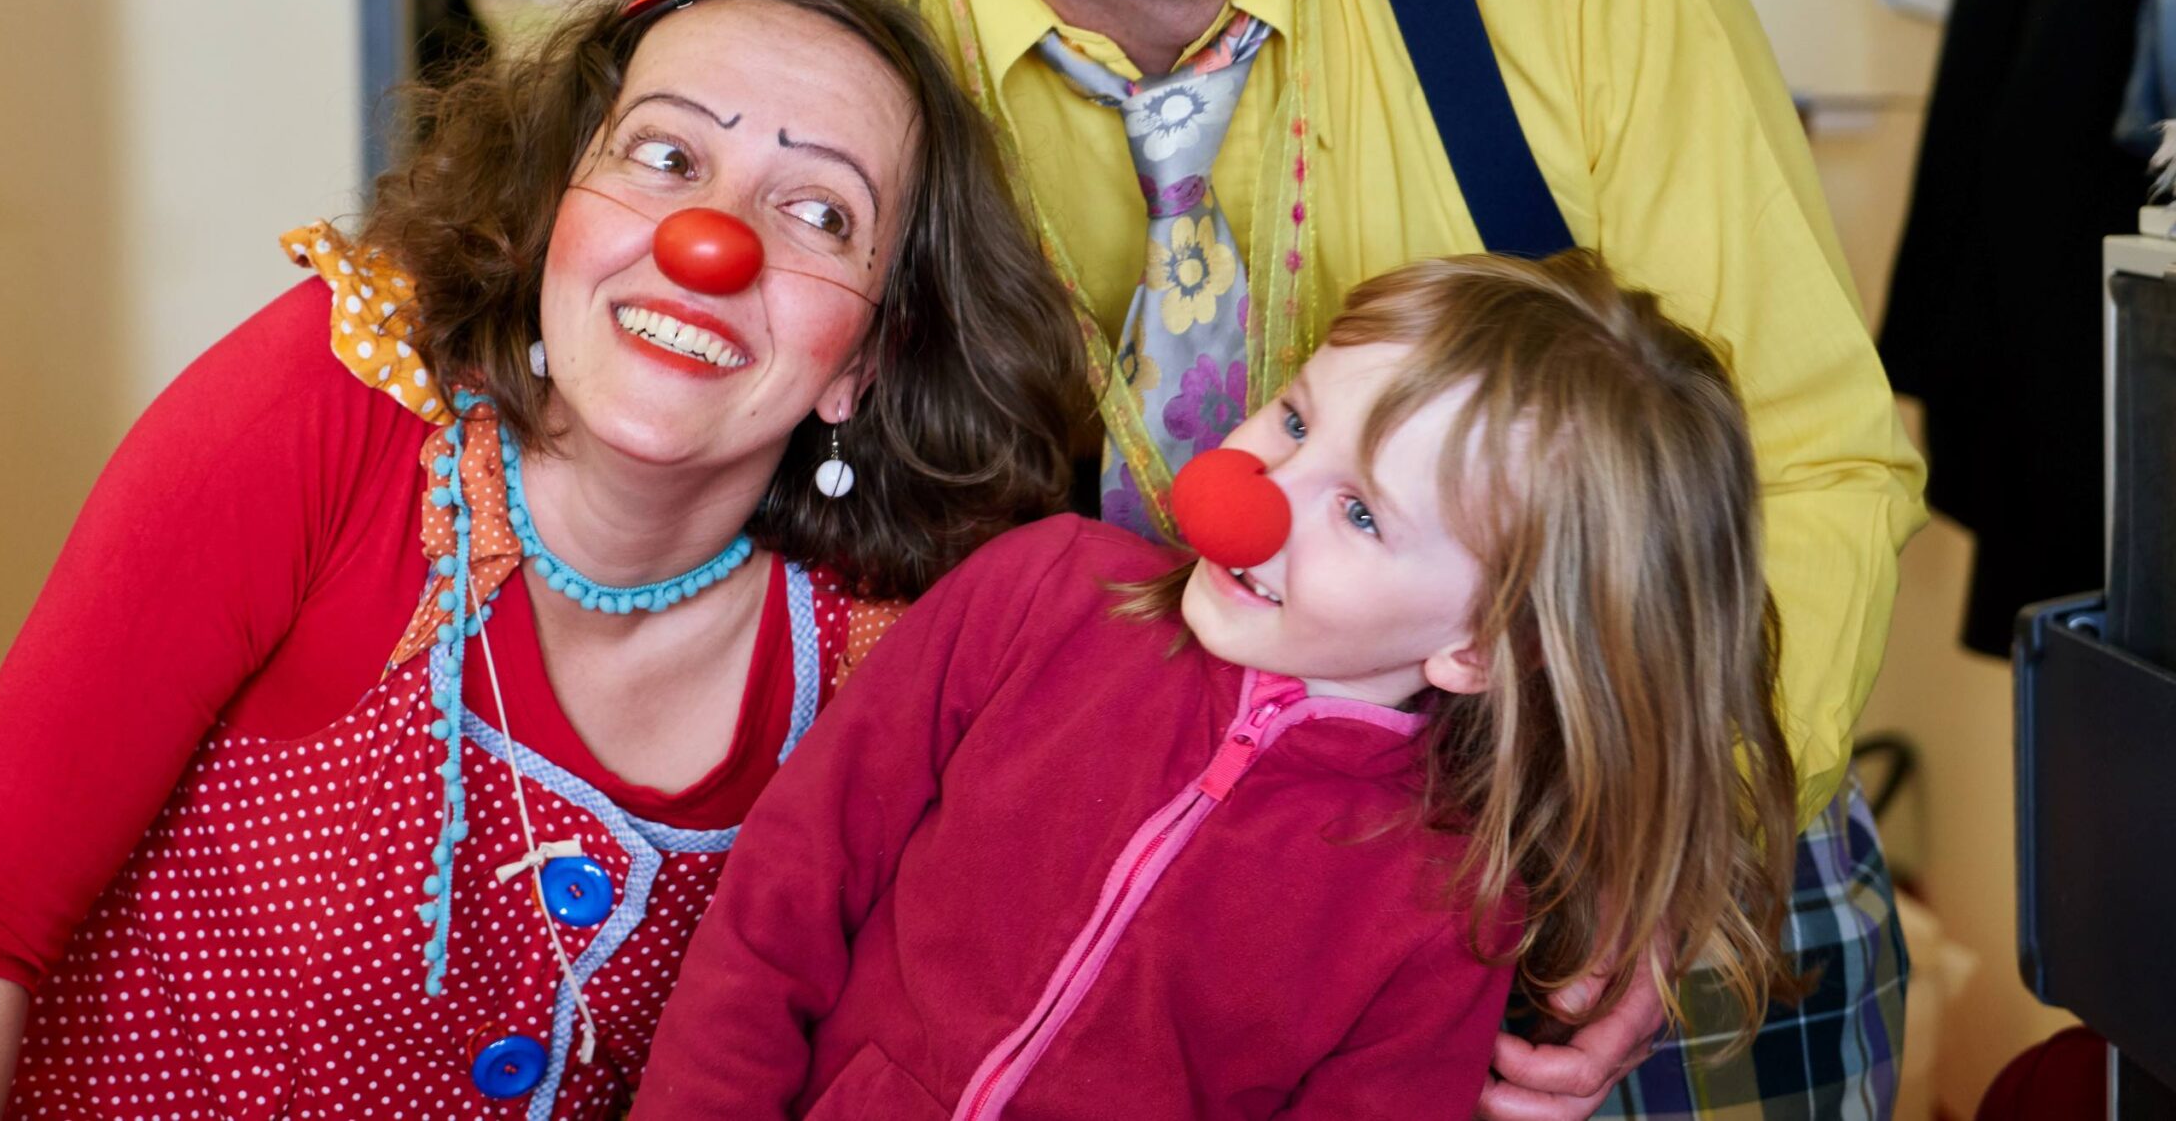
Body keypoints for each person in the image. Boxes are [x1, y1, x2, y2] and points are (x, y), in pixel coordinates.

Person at [698, 0, 1929, 1114]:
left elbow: (1812, 455)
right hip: (1110, 948)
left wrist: (1663, 837)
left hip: (1615, 865)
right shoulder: (809, 52)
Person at [0, 0, 1087, 1120]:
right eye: (664, 156)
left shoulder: (880, 660)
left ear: (863, 360)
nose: (710, 243)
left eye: (820, 213)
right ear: (552, 216)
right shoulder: (336, 412)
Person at [633, 251, 1802, 1120]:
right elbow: (787, 891)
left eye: (1359, 512)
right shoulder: (1036, 591)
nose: (1255, 488)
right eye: (1291, 417)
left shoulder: (1448, 909)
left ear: (1482, 647)